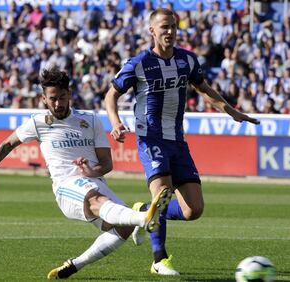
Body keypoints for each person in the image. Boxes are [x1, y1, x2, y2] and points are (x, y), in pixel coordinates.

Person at [0, 66, 172, 279]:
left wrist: (91, 169)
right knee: (98, 200)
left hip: (95, 182)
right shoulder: (38, 123)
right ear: (43, 99)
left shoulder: (91, 120)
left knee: (121, 229)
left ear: (69, 94)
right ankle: (143, 218)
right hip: (66, 187)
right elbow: (7, 144)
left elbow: (107, 164)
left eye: (61, 97)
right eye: (52, 99)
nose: (57, 103)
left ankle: (75, 264)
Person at [105, 8, 260, 276]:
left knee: (193, 210)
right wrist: (115, 122)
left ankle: (144, 211)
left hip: (177, 140)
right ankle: (159, 259)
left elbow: (203, 88)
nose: (169, 31)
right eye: (164, 27)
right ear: (152, 31)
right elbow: (111, 95)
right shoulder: (139, 63)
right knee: (162, 193)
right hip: (150, 138)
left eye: (173, 26)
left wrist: (231, 110)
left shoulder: (187, 60)